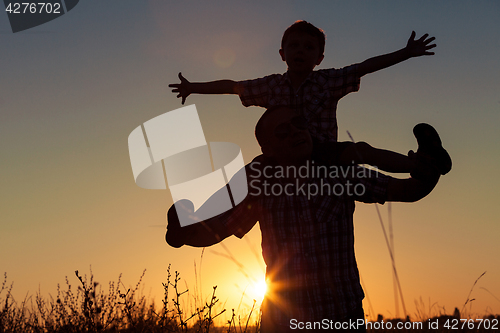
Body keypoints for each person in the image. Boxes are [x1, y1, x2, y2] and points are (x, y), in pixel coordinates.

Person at [166, 106, 448, 332]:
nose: (295, 133)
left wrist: (427, 169)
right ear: (269, 150)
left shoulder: (340, 174)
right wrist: (183, 234)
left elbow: (407, 191)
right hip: (283, 322)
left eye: (299, 123)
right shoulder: (260, 187)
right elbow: (219, 230)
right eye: (282, 131)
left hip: (343, 318)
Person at [169, 20, 451, 176]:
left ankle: (419, 165)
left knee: (361, 150)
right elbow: (232, 86)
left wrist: (405, 53)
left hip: (324, 152)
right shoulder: (271, 86)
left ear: (319, 58)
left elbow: (366, 66)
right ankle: (205, 220)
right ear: (282, 54)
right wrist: (194, 87)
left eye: (308, 47)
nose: (300, 50)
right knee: (250, 173)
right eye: (293, 45)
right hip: (283, 156)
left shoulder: (328, 81)